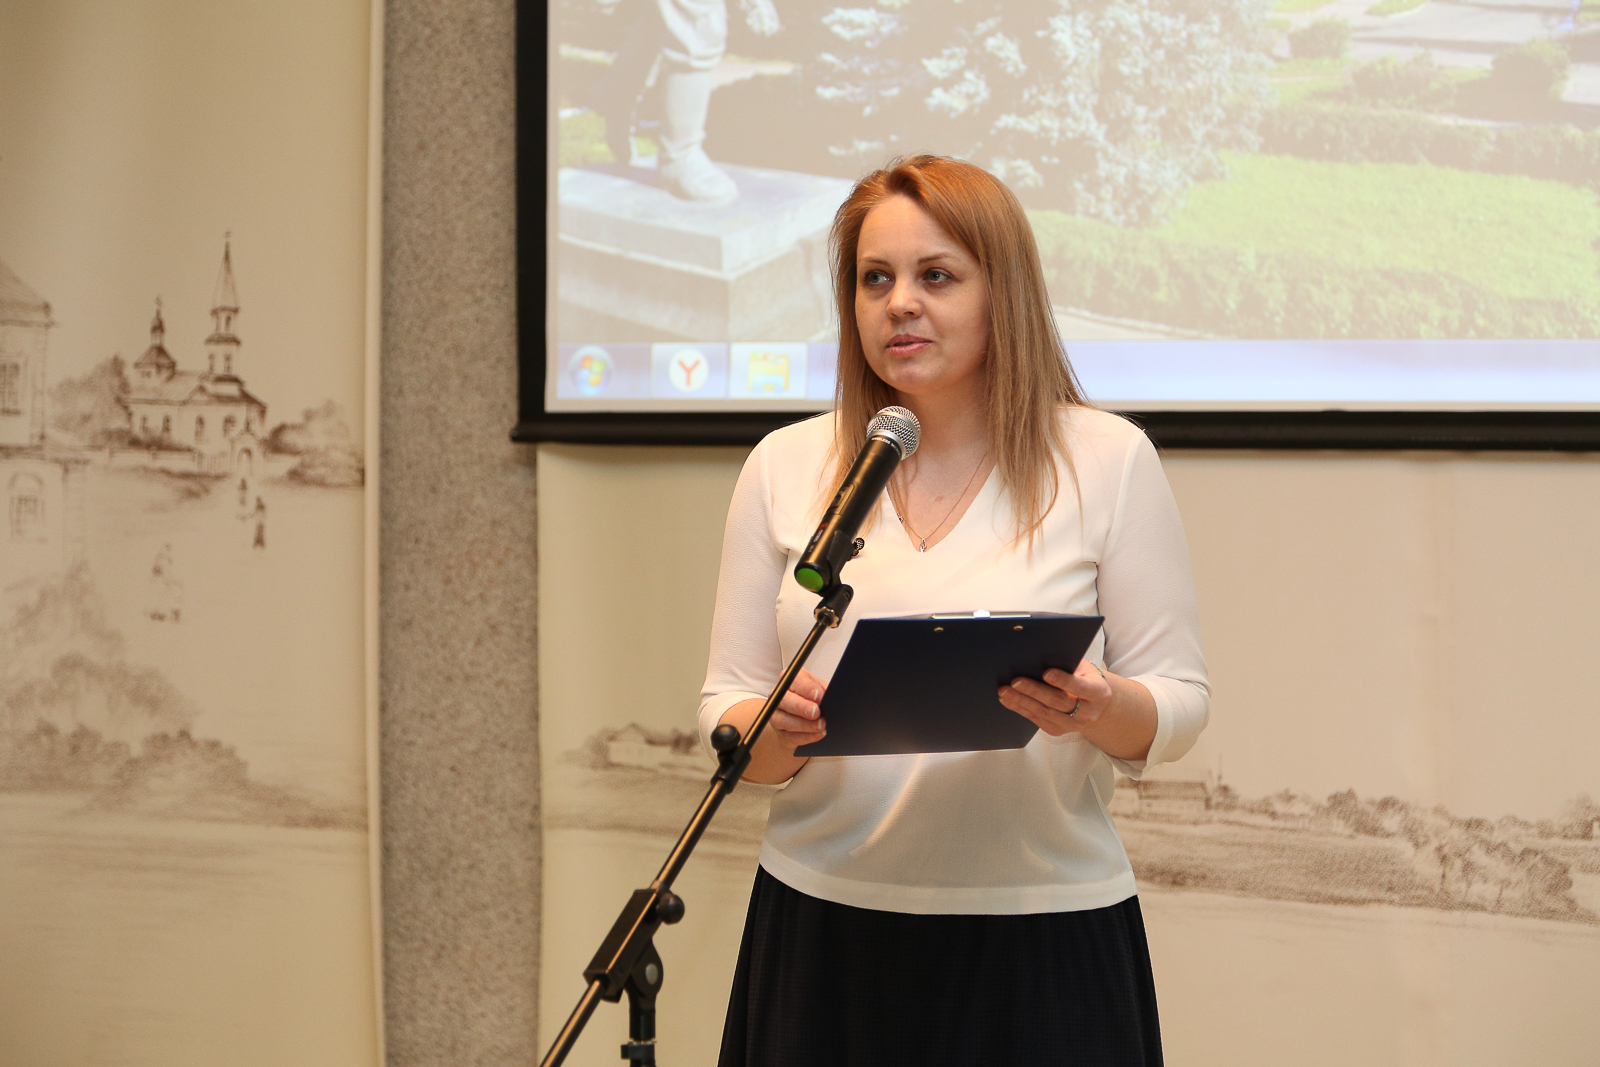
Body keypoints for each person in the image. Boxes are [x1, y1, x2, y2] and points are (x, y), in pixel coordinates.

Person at [698, 155, 1209, 1065]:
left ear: (1001, 291)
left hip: (1045, 934)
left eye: (935, 276)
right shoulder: (785, 464)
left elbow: (1180, 702)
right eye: (875, 279)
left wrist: (1099, 706)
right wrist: (771, 731)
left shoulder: (1107, 458)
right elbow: (725, 706)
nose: (900, 303)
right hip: (825, 928)